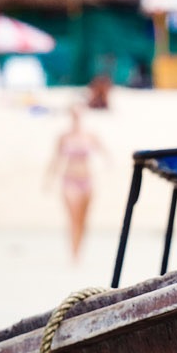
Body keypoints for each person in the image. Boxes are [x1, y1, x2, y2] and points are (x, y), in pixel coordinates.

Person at [45, 103, 105, 261]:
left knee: (84, 219)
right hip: (69, 180)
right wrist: (49, 180)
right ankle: (73, 254)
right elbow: (55, 159)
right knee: (72, 218)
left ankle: (79, 251)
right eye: (74, 114)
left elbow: (105, 153)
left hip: (87, 180)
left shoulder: (90, 136)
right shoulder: (64, 137)